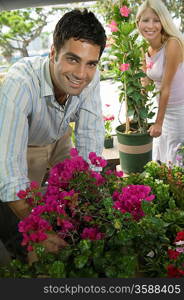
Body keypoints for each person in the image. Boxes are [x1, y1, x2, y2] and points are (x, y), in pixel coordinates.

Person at [0, 9, 106, 260]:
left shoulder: (89, 76)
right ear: (53, 53)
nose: (81, 74)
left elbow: (90, 136)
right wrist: (37, 228)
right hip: (24, 143)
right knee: (20, 223)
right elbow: (10, 174)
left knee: (76, 205)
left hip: (57, 135)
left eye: (90, 63)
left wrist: (85, 198)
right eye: (72, 59)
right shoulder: (20, 83)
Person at [136, 0, 184, 165]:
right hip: (164, 110)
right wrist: (137, 107)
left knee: (176, 162)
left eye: (156, 20)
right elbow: (146, 81)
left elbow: (166, 87)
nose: (151, 26)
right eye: (146, 20)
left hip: (179, 112)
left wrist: (158, 123)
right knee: (162, 160)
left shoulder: (173, 44)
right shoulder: (146, 48)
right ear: (138, 22)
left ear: (163, 22)